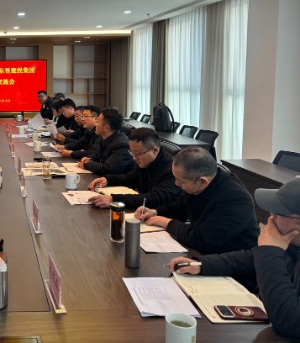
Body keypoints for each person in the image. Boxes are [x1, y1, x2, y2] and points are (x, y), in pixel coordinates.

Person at [168, 178, 300, 338]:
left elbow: (290, 321)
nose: (270, 218)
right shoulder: (291, 244)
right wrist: (201, 264)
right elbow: (249, 258)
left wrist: (270, 250)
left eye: (278, 213)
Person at [135, 147, 259, 254]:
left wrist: (166, 222)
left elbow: (202, 239)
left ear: (202, 182)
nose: (176, 184)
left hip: (230, 262)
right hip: (206, 253)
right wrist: (155, 212)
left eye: (181, 181)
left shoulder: (236, 200)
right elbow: (181, 206)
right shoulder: (200, 184)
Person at [87, 128, 181, 209]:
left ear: (154, 150)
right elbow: (132, 178)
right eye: (131, 152)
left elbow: (154, 198)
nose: (134, 158)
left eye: (138, 154)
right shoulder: (146, 161)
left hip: (161, 216)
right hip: (144, 211)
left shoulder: (173, 170)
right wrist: (108, 179)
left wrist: (114, 199)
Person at [78, 108, 134, 175]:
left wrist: (87, 164)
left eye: (97, 122)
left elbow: (108, 169)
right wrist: (89, 159)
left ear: (106, 128)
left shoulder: (121, 145)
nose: (95, 124)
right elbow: (98, 155)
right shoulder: (105, 138)